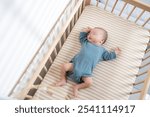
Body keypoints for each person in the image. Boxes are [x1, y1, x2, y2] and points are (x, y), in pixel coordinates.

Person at [55, 27, 121, 97]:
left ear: (101, 41)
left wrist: (115, 53)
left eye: (94, 34)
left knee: (89, 83)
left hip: (86, 72)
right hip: (75, 65)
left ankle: (77, 87)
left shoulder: (102, 51)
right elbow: (81, 37)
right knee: (64, 66)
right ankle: (63, 79)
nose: (90, 35)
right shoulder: (85, 42)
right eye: (89, 33)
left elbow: (108, 56)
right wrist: (85, 31)